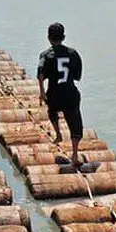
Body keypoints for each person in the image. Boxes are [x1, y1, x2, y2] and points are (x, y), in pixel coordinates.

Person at [37, 22, 84, 166]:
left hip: (54, 93)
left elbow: (40, 74)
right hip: (70, 92)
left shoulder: (45, 55)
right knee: (75, 123)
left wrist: (42, 91)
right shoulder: (73, 53)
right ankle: (75, 153)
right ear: (63, 37)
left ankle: (58, 134)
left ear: (49, 38)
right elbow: (77, 76)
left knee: (52, 111)